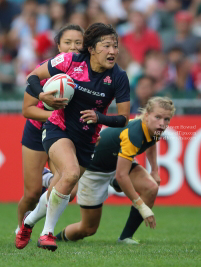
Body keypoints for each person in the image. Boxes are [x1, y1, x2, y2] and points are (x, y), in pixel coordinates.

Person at [15, 22, 130, 251]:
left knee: (63, 184)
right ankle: (46, 234)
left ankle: (28, 222)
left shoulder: (118, 77)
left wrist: (100, 118)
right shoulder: (69, 61)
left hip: (87, 139)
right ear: (92, 48)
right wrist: (43, 97)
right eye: (106, 46)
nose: (113, 51)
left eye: (115, 46)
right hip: (58, 128)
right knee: (70, 173)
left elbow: (124, 118)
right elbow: (32, 77)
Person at [54, 96, 175, 244]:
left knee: (151, 188)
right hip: (94, 170)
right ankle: (55, 239)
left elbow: (152, 142)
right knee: (88, 229)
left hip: (118, 162)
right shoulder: (134, 134)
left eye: (167, 119)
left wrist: (155, 170)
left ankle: (125, 238)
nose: (162, 124)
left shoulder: (154, 128)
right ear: (147, 115)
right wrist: (142, 206)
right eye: (158, 117)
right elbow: (122, 174)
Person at [16, 24, 85, 235]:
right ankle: (22, 230)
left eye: (78, 43)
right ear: (58, 45)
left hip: (64, 134)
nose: (72, 47)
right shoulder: (44, 70)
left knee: (70, 191)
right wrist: (57, 115)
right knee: (32, 193)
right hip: (37, 132)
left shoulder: (88, 75)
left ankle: (48, 181)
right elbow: (27, 110)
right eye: (67, 42)